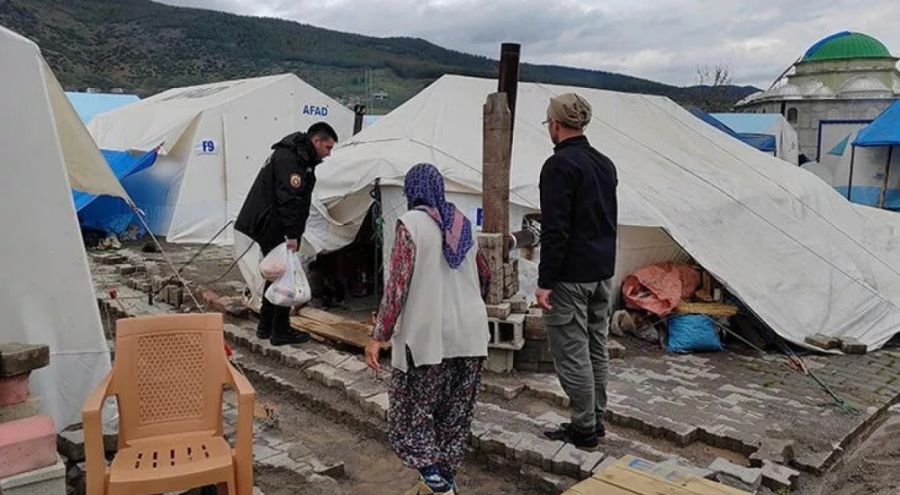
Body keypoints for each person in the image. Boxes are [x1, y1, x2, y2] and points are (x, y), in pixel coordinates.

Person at [365, 163, 492, 495]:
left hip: (428, 338)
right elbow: (486, 275)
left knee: (414, 412)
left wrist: (378, 336)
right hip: (470, 335)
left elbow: (397, 288)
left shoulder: (411, 225)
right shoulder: (462, 223)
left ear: (411, 192)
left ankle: (436, 482)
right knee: (455, 414)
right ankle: (445, 481)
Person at [536, 93, 618, 450]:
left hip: (572, 275)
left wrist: (544, 282)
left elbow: (556, 230)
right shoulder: (605, 163)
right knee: (596, 347)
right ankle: (596, 418)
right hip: (602, 271)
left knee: (572, 353)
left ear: (555, 124)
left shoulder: (558, 167)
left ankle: (583, 428)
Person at [235, 122, 338, 346]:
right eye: (328, 147)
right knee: (284, 276)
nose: (329, 154)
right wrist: (292, 234)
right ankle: (280, 330)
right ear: (317, 141)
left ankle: (265, 326)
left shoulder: (295, 155)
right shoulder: (291, 159)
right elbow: (289, 198)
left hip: (267, 221)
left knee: (276, 272)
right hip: (272, 223)